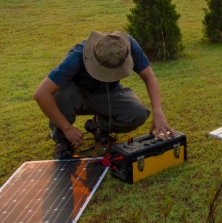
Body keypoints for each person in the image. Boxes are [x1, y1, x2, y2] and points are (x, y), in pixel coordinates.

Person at [34, 30, 174, 159]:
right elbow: (41, 94)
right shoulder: (76, 56)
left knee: (138, 113)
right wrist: (67, 128)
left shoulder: (127, 46)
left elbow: (149, 76)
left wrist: (158, 111)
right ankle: (62, 140)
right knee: (60, 94)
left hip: (110, 92)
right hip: (77, 94)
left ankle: (98, 126)